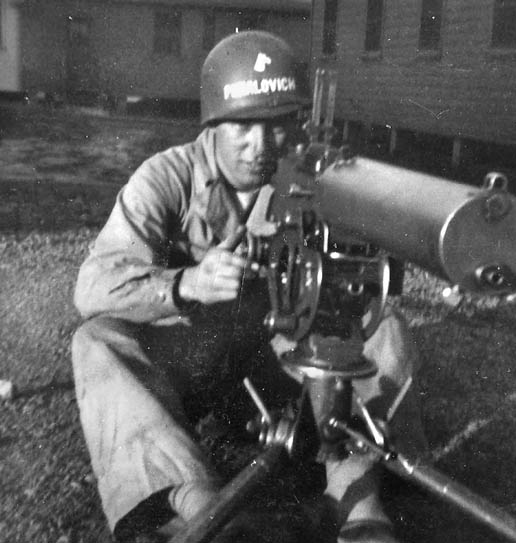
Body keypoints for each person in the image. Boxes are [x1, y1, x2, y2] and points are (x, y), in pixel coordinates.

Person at [71, 30, 427, 543]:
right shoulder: (165, 179)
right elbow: (93, 286)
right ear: (212, 123)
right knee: (98, 341)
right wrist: (185, 284)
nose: (260, 147)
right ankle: (197, 505)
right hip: (190, 358)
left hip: (279, 358)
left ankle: (356, 501)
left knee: (382, 326)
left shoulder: (308, 176)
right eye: (243, 127)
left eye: (277, 127)